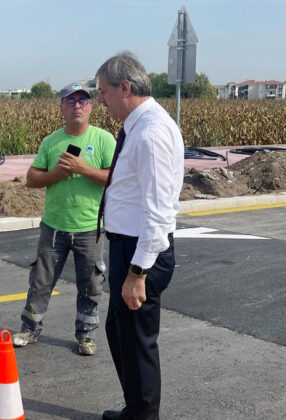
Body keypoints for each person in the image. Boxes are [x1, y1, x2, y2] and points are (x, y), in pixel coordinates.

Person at [96, 52, 184, 420]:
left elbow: (159, 212)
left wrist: (137, 273)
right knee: (121, 332)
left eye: (103, 92)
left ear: (125, 88)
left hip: (140, 254)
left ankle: (143, 417)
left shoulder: (151, 133)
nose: (100, 100)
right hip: (128, 248)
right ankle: (137, 410)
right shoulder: (139, 127)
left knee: (137, 341)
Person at [12, 82, 116, 355]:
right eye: (71, 101)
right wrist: (54, 175)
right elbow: (32, 179)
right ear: (61, 108)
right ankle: (30, 329)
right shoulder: (51, 141)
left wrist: (83, 168)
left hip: (90, 227)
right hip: (54, 226)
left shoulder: (104, 140)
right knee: (41, 281)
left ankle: (86, 336)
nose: (77, 106)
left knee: (91, 284)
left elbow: (115, 178)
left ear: (91, 107)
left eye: (83, 101)